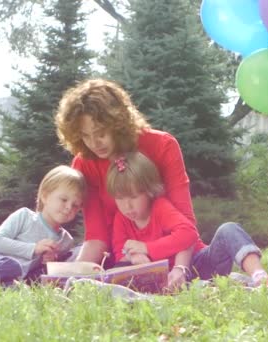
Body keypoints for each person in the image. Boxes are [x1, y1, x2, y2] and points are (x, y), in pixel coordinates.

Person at [54, 79, 195, 281]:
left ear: (118, 124)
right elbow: (96, 236)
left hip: (177, 259)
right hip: (123, 260)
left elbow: (186, 224)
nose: (94, 143)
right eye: (85, 136)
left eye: (100, 133)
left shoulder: (162, 145)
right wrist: (73, 277)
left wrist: (180, 270)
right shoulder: (84, 163)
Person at [107, 152, 268, 289]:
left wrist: (146, 248)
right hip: (167, 278)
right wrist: (136, 257)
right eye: (120, 198)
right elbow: (121, 253)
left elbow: (188, 233)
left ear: (149, 191)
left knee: (228, 229)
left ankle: (260, 277)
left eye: (134, 196)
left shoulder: (159, 207)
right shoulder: (121, 219)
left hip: (200, 263)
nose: (127, 205)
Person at [0, 165, 85, 286]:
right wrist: (34, 248)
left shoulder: (66, 241)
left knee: (23, 283)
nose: (69, 207)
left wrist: (51, 260)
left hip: (19, 274)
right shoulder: (25, 216)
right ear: (45, 196)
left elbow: (48, 269)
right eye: (63, 200)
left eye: (75, 205)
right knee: (12, 265)